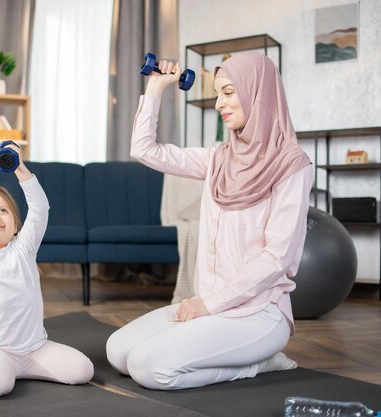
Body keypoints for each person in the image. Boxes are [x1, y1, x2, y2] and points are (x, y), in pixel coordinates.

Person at [105, 52, 313, 390]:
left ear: (257, 92)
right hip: (208, 307)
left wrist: (208, 304)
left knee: (148, 369)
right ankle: (246, 358)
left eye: (229, 92)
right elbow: (144, 150)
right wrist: (156, 87)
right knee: (117, 352)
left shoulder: (292, 165)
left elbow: (278, 258)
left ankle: (259, 363)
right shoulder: (217, 158)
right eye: (218, 94)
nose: (219, 103)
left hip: (256, 314)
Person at [0, 143, 93, 398]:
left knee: (83, 371)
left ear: (15, 225)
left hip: (35, 349)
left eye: (3, 210)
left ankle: (17, 370)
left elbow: (40, 209)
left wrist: (20, 169)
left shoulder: (24, 249)